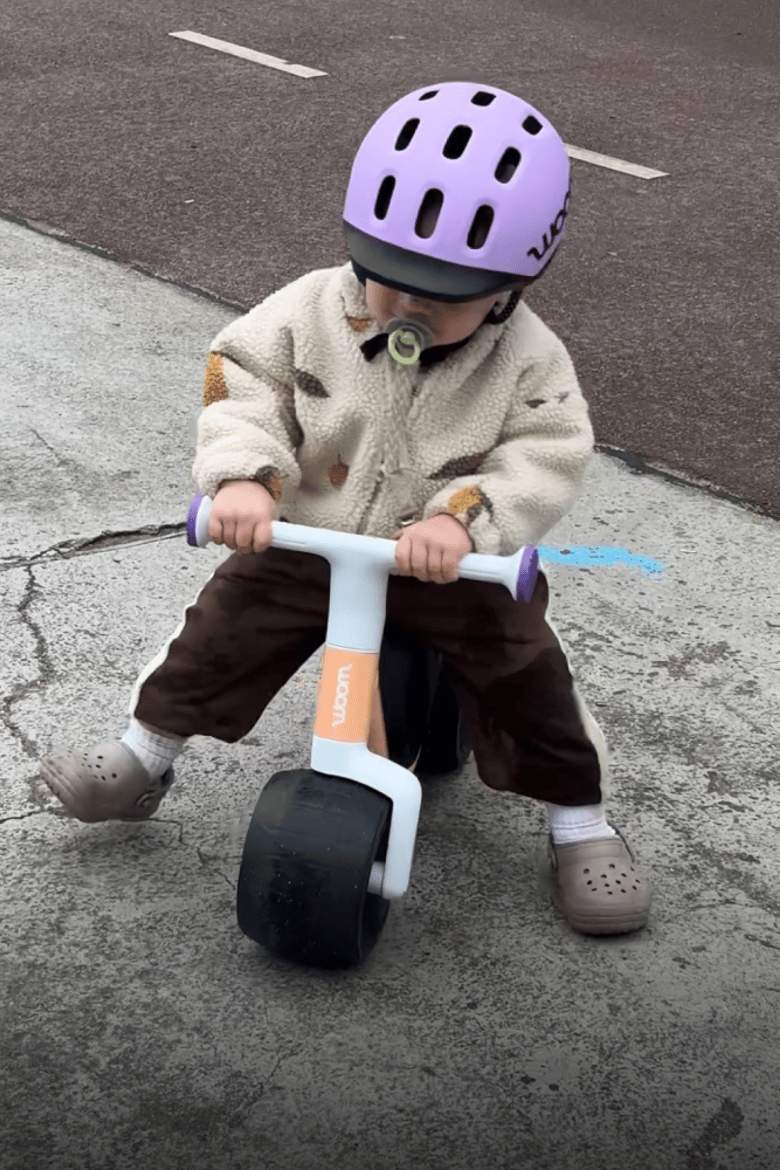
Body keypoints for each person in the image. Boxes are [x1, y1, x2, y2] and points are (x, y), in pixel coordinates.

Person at [40, 80, 651, 936]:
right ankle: (146, 755)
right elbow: (238, 377)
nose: (406, 308)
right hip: (309, 539)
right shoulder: (310, 309)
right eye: (390, 281)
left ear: (513, 282)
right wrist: (247, 476)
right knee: (220, 627)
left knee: (526, 673)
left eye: (445, 295)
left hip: (449, 563)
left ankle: (579, 823)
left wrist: (464, 518)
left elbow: (548, 451)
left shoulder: (528, 359)